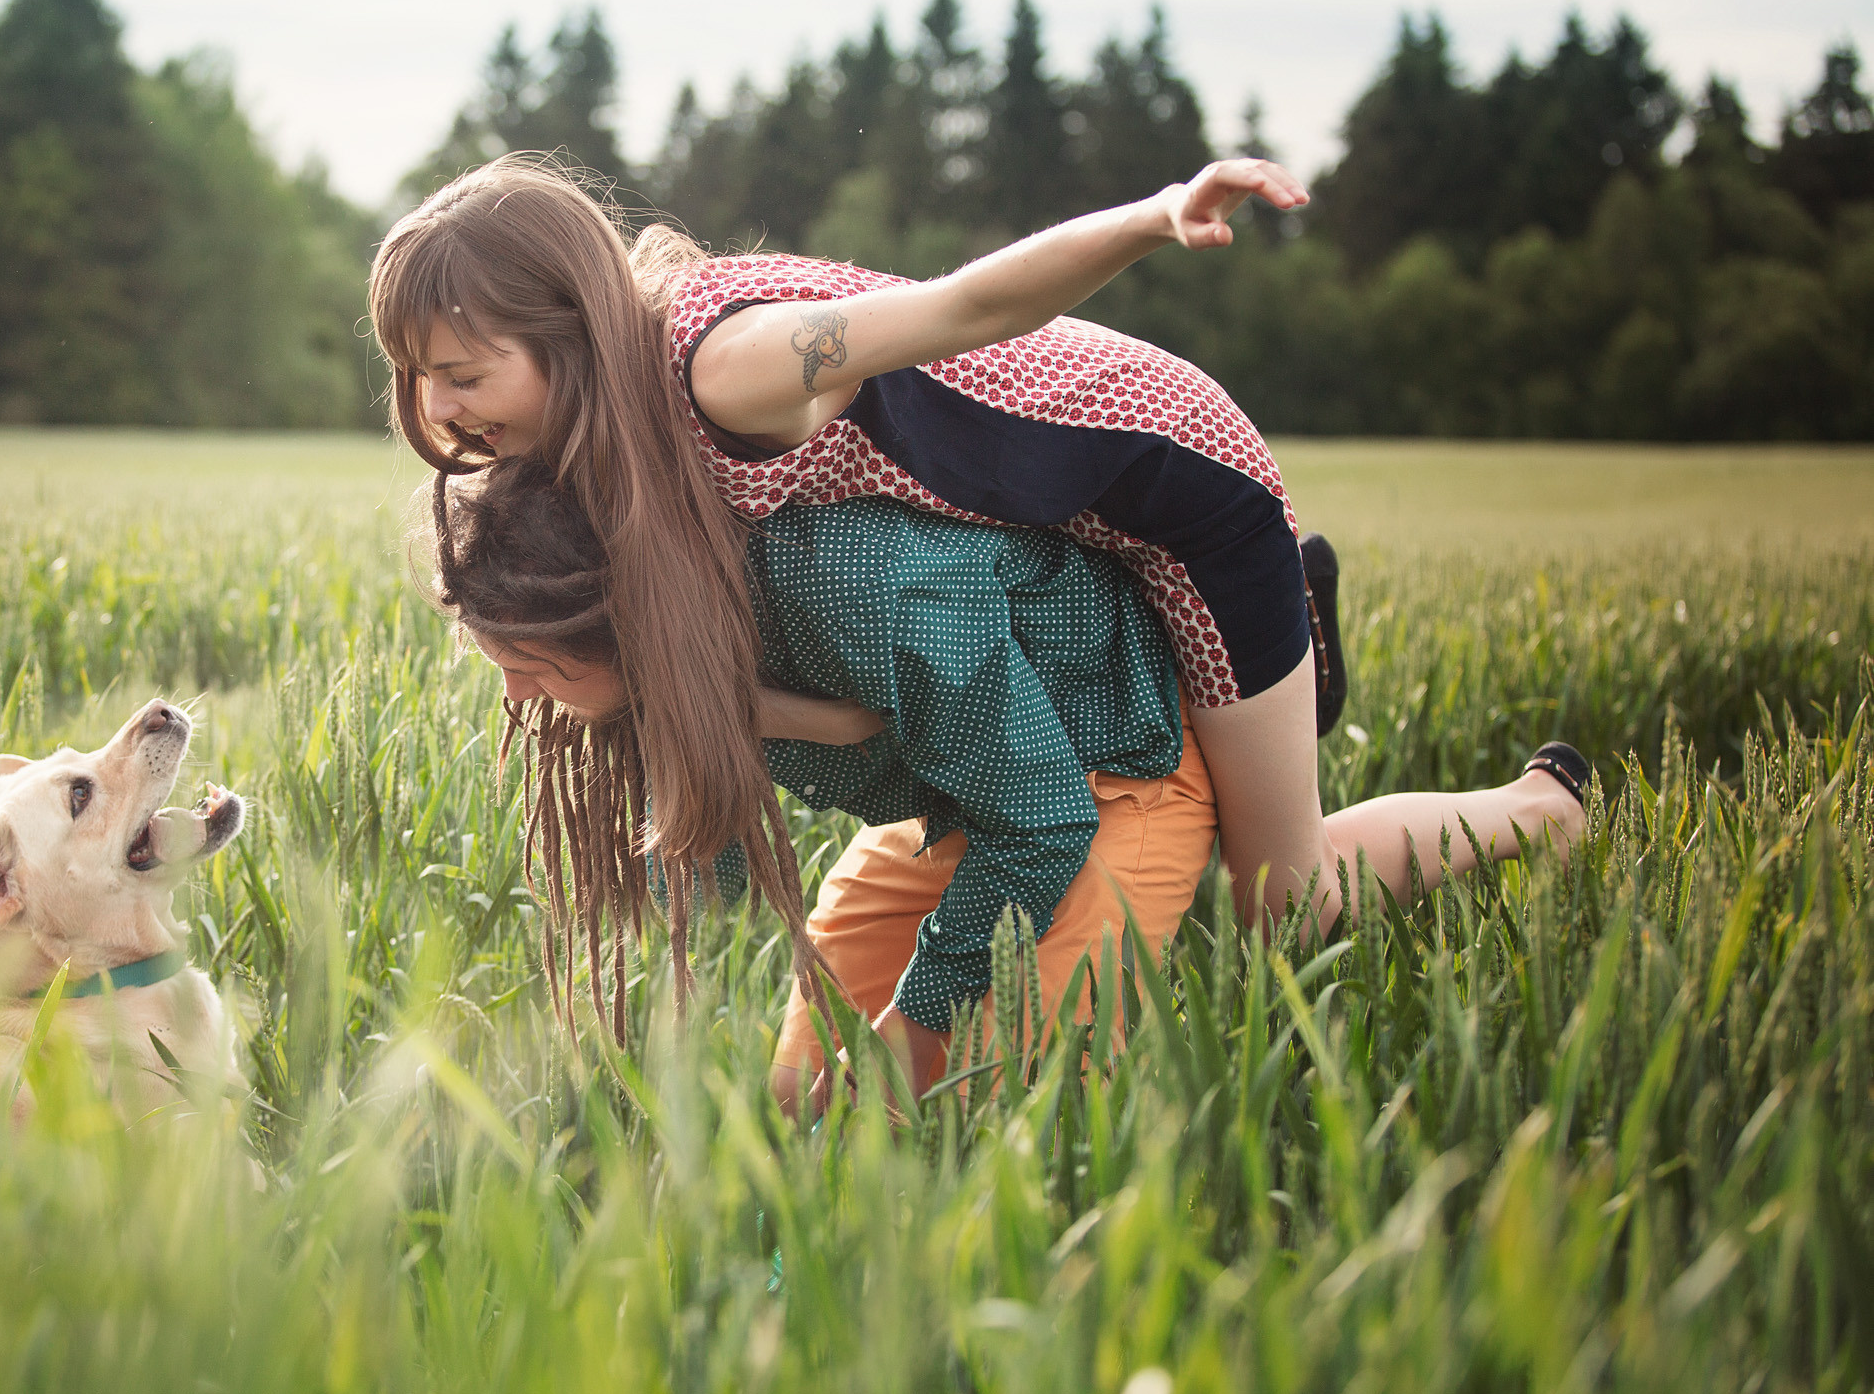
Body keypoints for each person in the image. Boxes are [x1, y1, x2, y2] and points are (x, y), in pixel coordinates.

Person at [370, 153, 1590, 943]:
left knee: (1278, 894)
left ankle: (1541, 809)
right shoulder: (611, 431)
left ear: (568, 331)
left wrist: (1153, 216)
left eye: (465, 374)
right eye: (418, 378)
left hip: (1180, 502)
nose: (441, 415)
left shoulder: (724, 368)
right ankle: (1279, 661)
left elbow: (963, 305)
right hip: (1040, 542)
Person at [430, 457, 1587, 1102]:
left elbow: (1041, 824)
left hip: (1104, 762)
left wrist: (916, 1016)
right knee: (801, 1096)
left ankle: (1540, 808)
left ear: (620, 615)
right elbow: (732, 859)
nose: (524, 697)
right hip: (959, 776)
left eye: (532, 664)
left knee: (1010, 1086)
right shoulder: (677, 646)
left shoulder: (865, 592)